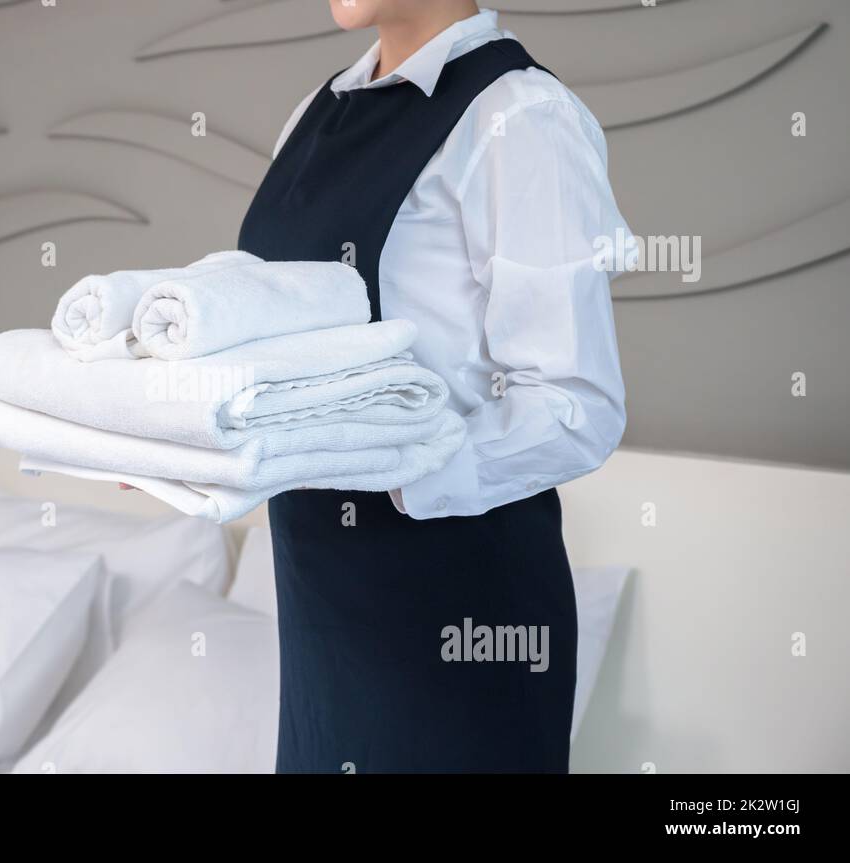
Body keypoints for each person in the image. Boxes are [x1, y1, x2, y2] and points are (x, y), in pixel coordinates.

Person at [235, 1, 632, 772]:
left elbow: (579, 406)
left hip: (462, 626)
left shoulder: (521, 118)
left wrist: (399, 467)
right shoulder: (315, 117)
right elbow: (280, 350)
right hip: (324, 622)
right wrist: (182, 438)